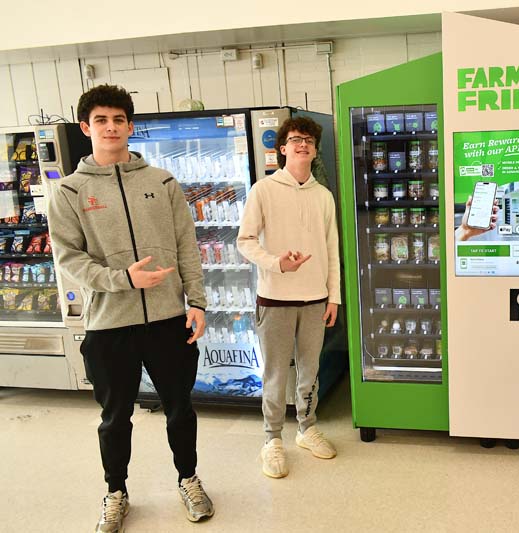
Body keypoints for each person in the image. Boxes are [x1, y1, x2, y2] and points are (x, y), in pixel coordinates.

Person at [48, 84, 214, 532]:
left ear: (130, 126)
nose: (111, 127)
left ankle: (188, 478)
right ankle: (115, 492)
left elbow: (186, 245)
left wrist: (197, 301)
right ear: (86, 128)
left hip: (167, 319)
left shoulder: (162, 182)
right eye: (101, 120)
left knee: (180, 407)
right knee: (114, 418)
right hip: (108, 324)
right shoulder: (69, 191)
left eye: (118, 119)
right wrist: (123, 279)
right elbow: (69, 259)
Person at [237, 116, 340, 479]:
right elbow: (245, 241)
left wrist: (334, 297)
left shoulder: (323, 195)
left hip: (315, 299)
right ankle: (272, 439)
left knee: (309, 372)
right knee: (276, 374)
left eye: (309, 140)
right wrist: (276, 263)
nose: (302, 144)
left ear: (315, 149)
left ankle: (306, 428)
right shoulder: (263, 190)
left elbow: (332, 248)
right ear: (282, 148)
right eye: (295, 139)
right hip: (274, 298)